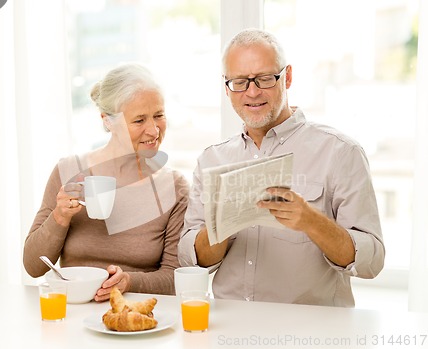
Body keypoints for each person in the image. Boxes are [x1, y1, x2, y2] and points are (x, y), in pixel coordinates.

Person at [178, 28, 385, 307]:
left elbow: (372, 262)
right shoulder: (211, 160)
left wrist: (312, 221)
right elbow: (191, 260)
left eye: (264, 79)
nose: (252, 92)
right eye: (239, 82)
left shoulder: (340, 152)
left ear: (286, 77)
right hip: (227, 329)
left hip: (309, 332)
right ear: (226, 87)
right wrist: (222, 226)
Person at [24, 63, 189, 301]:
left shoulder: (174, 187)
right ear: (107, 121)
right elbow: (33, 267)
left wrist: (129, 282)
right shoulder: (68, 171)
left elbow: (175, 278)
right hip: (72, 314)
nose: (153, 130)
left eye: (159, 116)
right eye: (139, 120)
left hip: (138, 318)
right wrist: (59, 218)